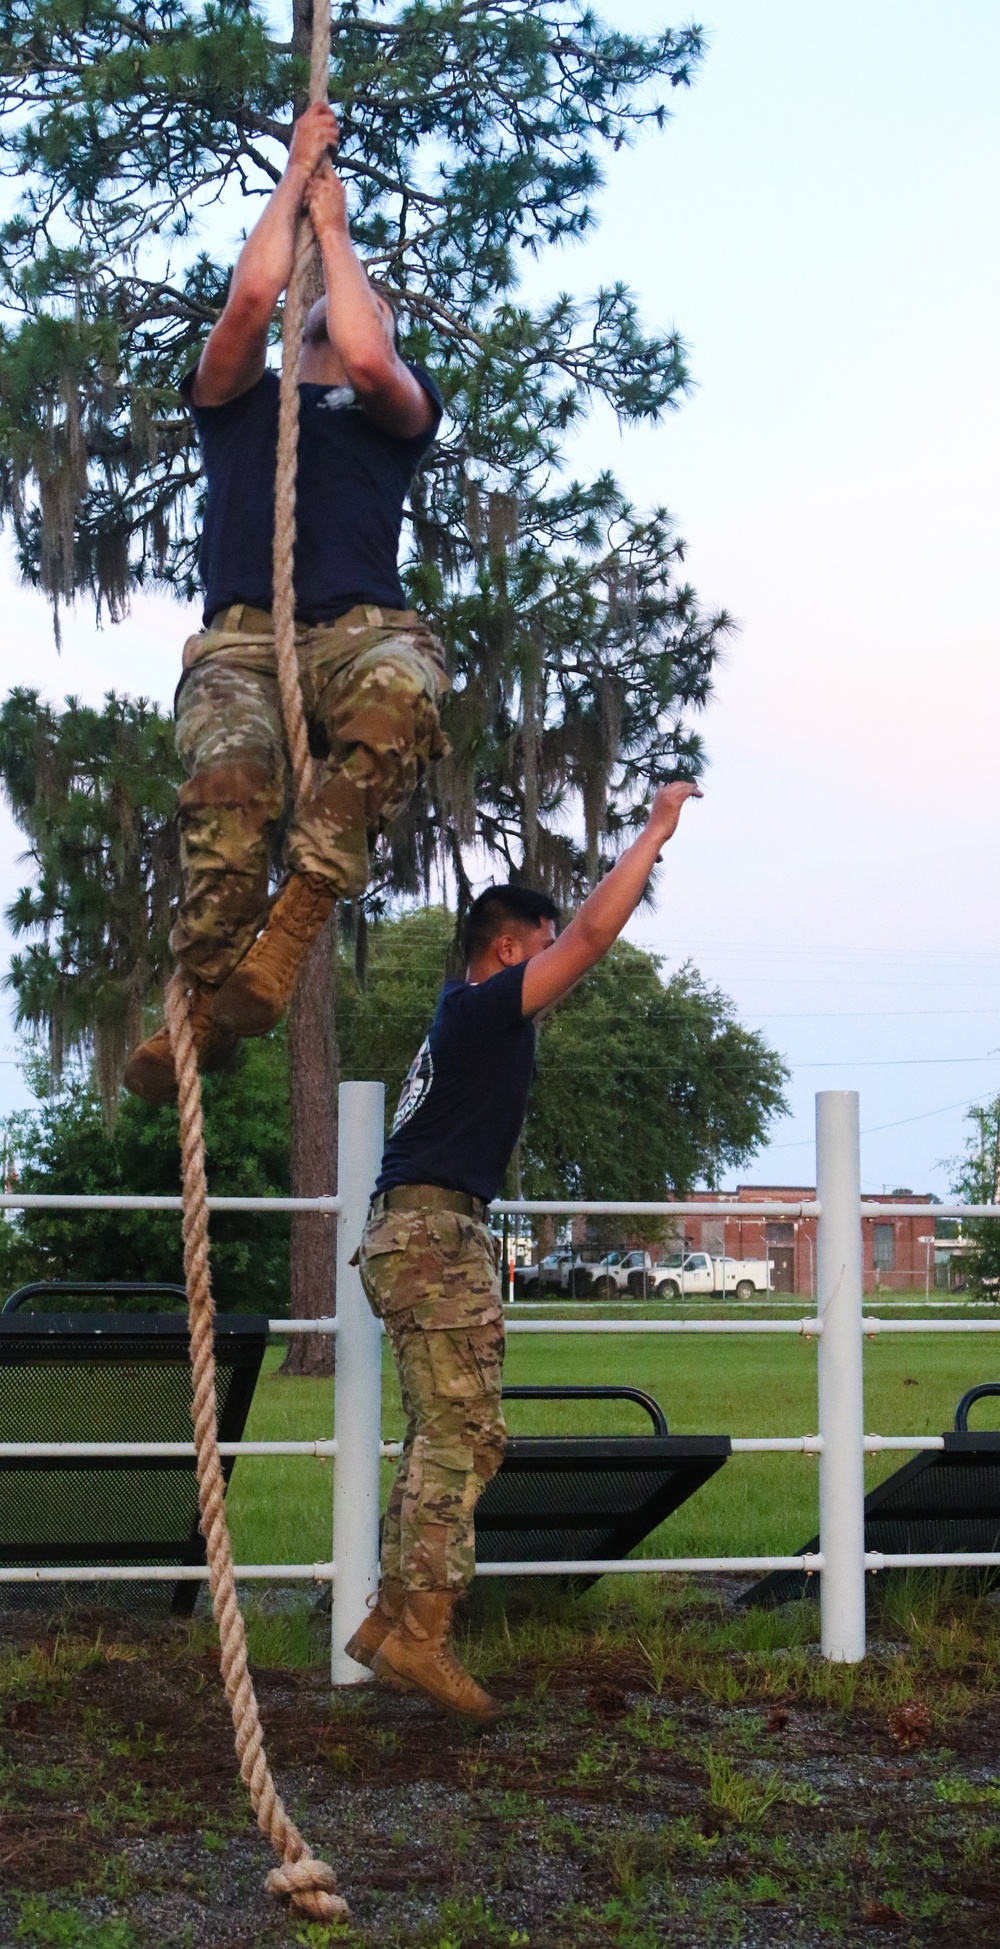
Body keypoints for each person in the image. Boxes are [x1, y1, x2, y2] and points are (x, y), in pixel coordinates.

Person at [346, 779, 702, 1722]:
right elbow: (588, 934)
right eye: (535, 951)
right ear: (507, 952)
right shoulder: (480, 1011)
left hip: (422, 1230)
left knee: (448, 1429)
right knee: (464, 1432)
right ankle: (421, 1633)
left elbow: (575, 934)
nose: (552, 967)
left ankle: (394, 1619)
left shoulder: (464, 1023)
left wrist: (645, 859)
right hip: (431, 1235)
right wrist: (653, 830)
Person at [125, 102, 447, 1101]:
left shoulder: (394, 408)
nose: (346, 306)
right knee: (223, 801)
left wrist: (341, 238)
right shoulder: (235, 400)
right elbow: (252, 297)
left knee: (403, 691)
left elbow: (361, 355)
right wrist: (296, 175)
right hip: (243, 645)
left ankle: (307, 896)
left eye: (365, 302)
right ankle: (209, 991)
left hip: (360, 636)